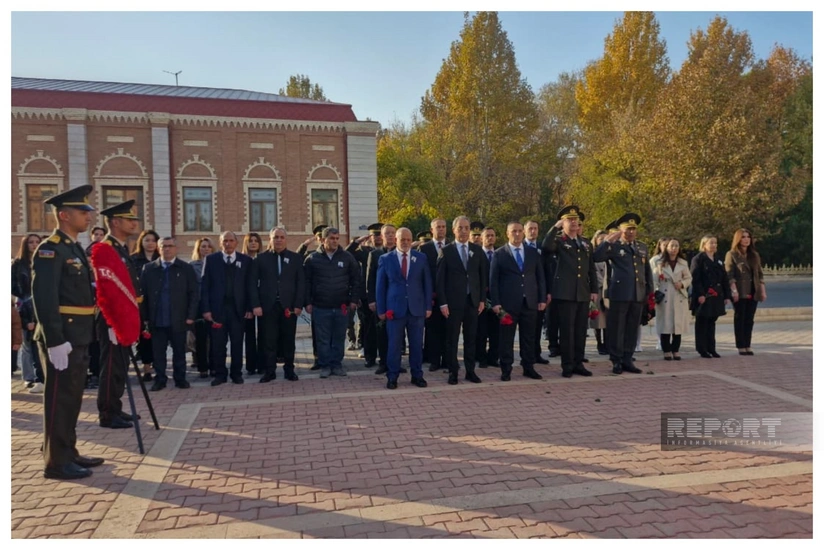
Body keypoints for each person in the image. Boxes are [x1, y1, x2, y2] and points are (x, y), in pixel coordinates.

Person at [31, 184, 104, 479]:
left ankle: (68, 451)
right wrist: (55, 339)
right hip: (63, 338)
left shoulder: (73, 248)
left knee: (72, 398)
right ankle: (56, 462)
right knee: (59, 399)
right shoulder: (50, 250)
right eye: (82, 211)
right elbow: (44, 297)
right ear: (64, 215)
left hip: (79, 336)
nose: (89, 216)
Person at [95, 201, 142, 429]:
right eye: (129, 219)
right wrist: (113, 321)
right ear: (115, 222)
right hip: (110, 319)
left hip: (121, 317)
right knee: (112, 365)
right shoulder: (105, 249)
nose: (135, 223)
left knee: (121, 366)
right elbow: (105, 288)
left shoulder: (120, 248)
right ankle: (107, 412)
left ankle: (116, 407)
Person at [541, 206, 599, 377]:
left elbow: (590, 268)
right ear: (563, 222)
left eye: (576, 220)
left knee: (581, 331)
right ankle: (567, 365)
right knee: (567, 331)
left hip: (582, 292)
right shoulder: (559, 241)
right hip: (565, 293)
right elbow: (545, 247)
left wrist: (594, 289)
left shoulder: (586, 243)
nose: (574, 222)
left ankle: (578, 363)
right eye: (570, 219)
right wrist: (555, 228)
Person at [593, 213, 653, 374]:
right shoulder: (614, 246)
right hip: (619, 294)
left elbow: (646, 271)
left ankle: (628, 359)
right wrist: (607, 242)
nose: (631, 232)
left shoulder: (641, 247)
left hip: (637, 294)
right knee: (617, 328)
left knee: (632, 329)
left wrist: (649, 292)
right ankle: (616, 360)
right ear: (620, 230)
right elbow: (596, 257)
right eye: (627, 229)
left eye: (633, 229)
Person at [489, 221, 546, 381]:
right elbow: (493, 281)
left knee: (529, 337)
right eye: (514, 231)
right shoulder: (500, 254)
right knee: (506, 339)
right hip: (508, 304)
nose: (517, 234)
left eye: (520, 231)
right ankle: (506, 369)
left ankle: (528, 367)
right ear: (507, 233)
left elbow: (540, 277)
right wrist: (496, 303)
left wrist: (541, 298)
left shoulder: (532, 253)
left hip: (530, 302)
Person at [376, 227, 432, 389]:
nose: (406, 242)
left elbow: (427, 284)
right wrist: (381, 310)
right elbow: (380, 287)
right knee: (394, 346)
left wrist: (428, 306)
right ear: (396, 240)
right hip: (394, 309)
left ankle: (417, 375)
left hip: (416, 309)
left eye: (408, 239)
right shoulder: (386, 259)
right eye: (402, 240)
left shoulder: (421, 258)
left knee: (416, 345)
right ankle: (392, 376)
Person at [141, 237, 199, 390]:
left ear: (175, 248)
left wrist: (190, 316)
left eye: (170, 246)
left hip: (178, 318)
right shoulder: (149, 269)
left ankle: (180, 378)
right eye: (163, 246)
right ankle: (160, 379)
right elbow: (143, 296)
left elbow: (194, 294)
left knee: (179, 351)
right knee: (158, 353)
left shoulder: (185, 268)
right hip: (157, 318)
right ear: (158, 249)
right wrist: (145, 318)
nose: (167, 249)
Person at [304, 227, 361, 378]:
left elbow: (356, 280)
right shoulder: (312, 259)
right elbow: (306, 282)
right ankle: (325, 366)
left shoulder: (347, 257)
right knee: (322, 338)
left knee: (338, 337)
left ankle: (337, 364)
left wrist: (353, 300)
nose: (335, 241)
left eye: (337, 238)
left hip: (341, 305)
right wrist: (308, 302)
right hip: (320, 306)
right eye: (331, 238)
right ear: (323, 240)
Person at [436, 216, 488, 384]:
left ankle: (470, 371)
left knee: (471, 338)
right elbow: (440, 280)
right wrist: (442, 302)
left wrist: (481, 300)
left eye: (467, 228)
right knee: (452, 339)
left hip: (472, 302)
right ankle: (453, 372)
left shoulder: (477, 250)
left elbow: (481, 278)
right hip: (453, 303)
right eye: (461, 228)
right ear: (454, 230)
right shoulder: (446, 250)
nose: (464, 231)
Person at [250, 227, 305, 382]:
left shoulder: (295, 258)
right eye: (276, 237)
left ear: (286, 239)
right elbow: (252, 284)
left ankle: (289, 370)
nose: (279, 240)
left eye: (281, 237)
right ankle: (269, 371)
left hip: (289, 307)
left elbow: (301, 283)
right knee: (269, 340)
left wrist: (299, 304)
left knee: (289, 340)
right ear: (270, 239)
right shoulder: (260, 259)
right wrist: (256, 305)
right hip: (267, 307)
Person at [201, 231, 254, 385]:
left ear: (236, 243)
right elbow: (204, 286)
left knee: (237, 343)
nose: (228, 244)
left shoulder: (246, 260)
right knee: (218, 344)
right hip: (217, 310)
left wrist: (250, 308)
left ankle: (236, 374)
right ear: (220, 243)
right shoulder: (211, 260)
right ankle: (220, 374)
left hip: (238, 310)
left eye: (231, 241)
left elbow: (250, 286)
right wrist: (206, 310)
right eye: (225, 241)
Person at [366, 224, 402, 375]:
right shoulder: (375, 255)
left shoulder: (401, 253)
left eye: (392, 233)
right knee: (381, 333)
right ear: (381, 236)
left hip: (398, 300)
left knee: (399, 333)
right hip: (381, 300)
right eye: (386, 233)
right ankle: (383, 363)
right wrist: (372, 300)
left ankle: (397, 362)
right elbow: (370, 279)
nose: (390, 236)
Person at [12, 233, 45, 393]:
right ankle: (28, 377)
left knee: (39, 343)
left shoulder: (43, 262)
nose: (34, 245)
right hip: (25, 306)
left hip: (41, 306)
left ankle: (41, 375)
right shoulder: (18, 264)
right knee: (26, 344)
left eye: (37, 242)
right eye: (31, 242)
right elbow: (14, 287)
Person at [725, 228, 766, 356]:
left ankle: (748, 344)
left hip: (753, 290)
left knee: (749, 319)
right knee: (740, 318)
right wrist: (734, 291)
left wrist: (762, 291)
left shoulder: (754, 254)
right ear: (738, 239)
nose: (746, 239)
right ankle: (741, 345)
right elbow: (729, 274)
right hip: (740, 291)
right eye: (743, 237)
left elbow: (759, 274)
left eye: (748, 236)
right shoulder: (731, 254)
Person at [691, 235, 732, 358]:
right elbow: (696, 279)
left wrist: (726, 295)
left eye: (715, 243)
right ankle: (702, 349)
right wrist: (701, 294)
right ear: (704, 245)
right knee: (702, 322)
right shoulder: (698, 259)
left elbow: (724, 278)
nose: (714, 245)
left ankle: (711, 348)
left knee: (712, 322)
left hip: (716, 296)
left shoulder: (718, 259)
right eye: (711, 243)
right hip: (704, 296)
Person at [652, 239, 692, 361]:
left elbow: (689, 277)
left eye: (676, 246)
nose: (674, 248)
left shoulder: (683, 263)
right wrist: (655, 293)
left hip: (679, 295)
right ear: (666, 247)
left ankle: (676, 350)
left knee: (677, 325)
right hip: (665, 296)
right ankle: (666, 350)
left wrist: (682, 283)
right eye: (671, 246)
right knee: (665, 324)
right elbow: (654, 280)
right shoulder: (659, 262)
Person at [418, 218, 449, 372]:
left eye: (443, 227)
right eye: (438, 227)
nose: (441, 230)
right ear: (432, 230)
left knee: (448, 329)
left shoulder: (452, 246)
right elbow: (421, 274)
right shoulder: (424, 249)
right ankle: (434, 360)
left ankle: (447, 359)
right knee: (433, 329)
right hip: (431, 296)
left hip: (449, 296)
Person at [131, 229, 160, 381]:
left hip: (159, 304)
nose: (150, 243)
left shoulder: (161, 258)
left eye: (153, 240)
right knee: (144, 337)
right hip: (141, 305)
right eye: (147, 240)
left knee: (159, 337)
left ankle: (159, 366)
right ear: (141, 242)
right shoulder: (134, 259)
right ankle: (147, 369)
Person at [298, 224, 326, 370]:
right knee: (317, 333)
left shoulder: (339, 253)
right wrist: (304, 245)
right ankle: (318, 359)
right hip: (316, 300)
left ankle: (334, 360)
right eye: (320, 237)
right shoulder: (311, 255)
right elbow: (296, 259)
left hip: (333, 300)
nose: (322, 240)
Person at [524, 220, 550, 365]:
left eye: (535, 228)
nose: (533, 231)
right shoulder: (520, 246)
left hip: (538, 292)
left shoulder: (542, 247)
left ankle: (536, 353)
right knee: (526, 327)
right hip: (523, 292)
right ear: (525, 231)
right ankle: (527, 355)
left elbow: (546, 271)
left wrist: (547, 292)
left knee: (538, 324)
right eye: (530, 229)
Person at [240, 232, 264, 375]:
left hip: (263, 303)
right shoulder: (242, 260)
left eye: (256, 241)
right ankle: (250, 365)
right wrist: (249, 306)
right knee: (249, 336)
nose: (253, 243)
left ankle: (262, 364)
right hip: (247, 305)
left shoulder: (263, 259)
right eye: (250, 241)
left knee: (263, 335)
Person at [189, 237, 213, 378]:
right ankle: (203, 367)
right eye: (203, 246)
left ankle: (215, 366)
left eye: (208, 246)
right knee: (201, 338)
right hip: (198, 306)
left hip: (214, 305)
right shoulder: (192, 266)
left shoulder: (217, 264)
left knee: (215, 338)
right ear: (198, 249)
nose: (206, 249)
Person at [476, 226, 500, 368]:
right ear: (482, 238)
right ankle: (481, 358)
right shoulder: (477, 254)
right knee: (481, 330)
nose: (490, 238)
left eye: (492, 235)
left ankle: (493, 357)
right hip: (481, 298)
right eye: (487, 236)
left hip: (496, 298)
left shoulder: (500, 253)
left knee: (496, 330)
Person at [589, 230, 609, 356]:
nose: (602, 240)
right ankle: (599, 343)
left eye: (604, 238)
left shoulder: (611, 253)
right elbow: (592, 272)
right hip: (597, 289)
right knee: (597, 319)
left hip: (609, 290)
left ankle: (608, 343)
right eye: (600, 238)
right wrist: (602, 283)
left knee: (607, 319)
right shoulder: (593, 254)